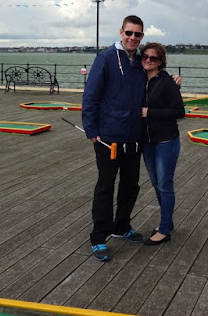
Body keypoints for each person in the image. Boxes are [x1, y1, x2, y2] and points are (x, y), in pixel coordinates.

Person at [82, 15, 147, 261]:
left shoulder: (142, 60)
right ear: (121, 32)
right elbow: (91, 96)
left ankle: (121, 226)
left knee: (131, 186)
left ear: (142, 36)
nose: (132, 38)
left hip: (133, 137)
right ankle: (99, 236)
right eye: (129, 33)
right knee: (105, 188)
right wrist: (91, 131)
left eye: (137, 34)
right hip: (107, 138)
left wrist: (174, 81)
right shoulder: (106, 58)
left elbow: (155, 79)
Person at [140, 43, 185, 245]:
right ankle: (167, 221)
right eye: (146, 56)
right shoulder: (138, 79)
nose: (149, 60)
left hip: (166, 141)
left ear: (161, 62)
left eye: (154, 58)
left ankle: (165, 230)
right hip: (147, 141)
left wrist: (149, 112)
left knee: (165, 185)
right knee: (156, 184)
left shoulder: (166, 82)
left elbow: (179, 111)